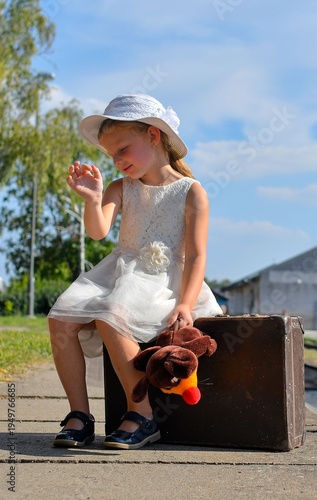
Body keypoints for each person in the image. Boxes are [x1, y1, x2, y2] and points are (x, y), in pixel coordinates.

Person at [48, 94, 223, 450]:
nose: (116, 161)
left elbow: (197, 255)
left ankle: (141, 413)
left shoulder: (192, 193)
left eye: (123, 149)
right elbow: (98, 231)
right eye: (111, 155)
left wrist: (186, 305)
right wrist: (93, 200)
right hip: (121, 271)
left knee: (112, 315)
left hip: (166, 282)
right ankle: (79, 415)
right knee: (59, 319)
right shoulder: (120, 188)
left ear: (154, 137)